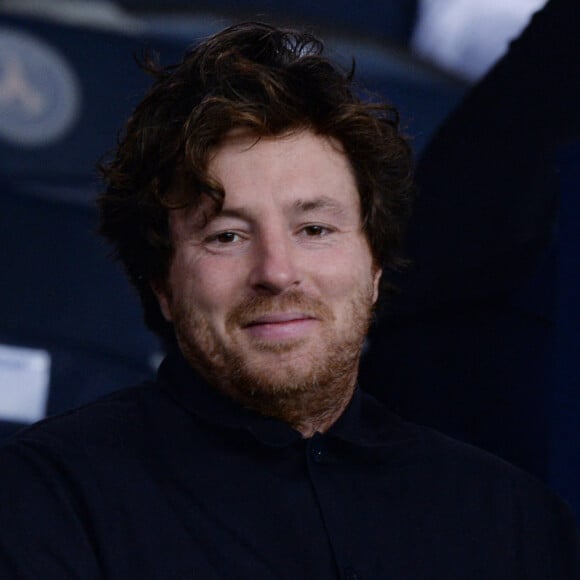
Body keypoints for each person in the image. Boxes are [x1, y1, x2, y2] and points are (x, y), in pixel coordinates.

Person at [0, 22, 578, 580]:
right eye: (227, 235)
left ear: (375, 265)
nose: (278, 273)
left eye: (315, 230)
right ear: (162, 285)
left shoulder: (514, 519)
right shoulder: (46, 500)